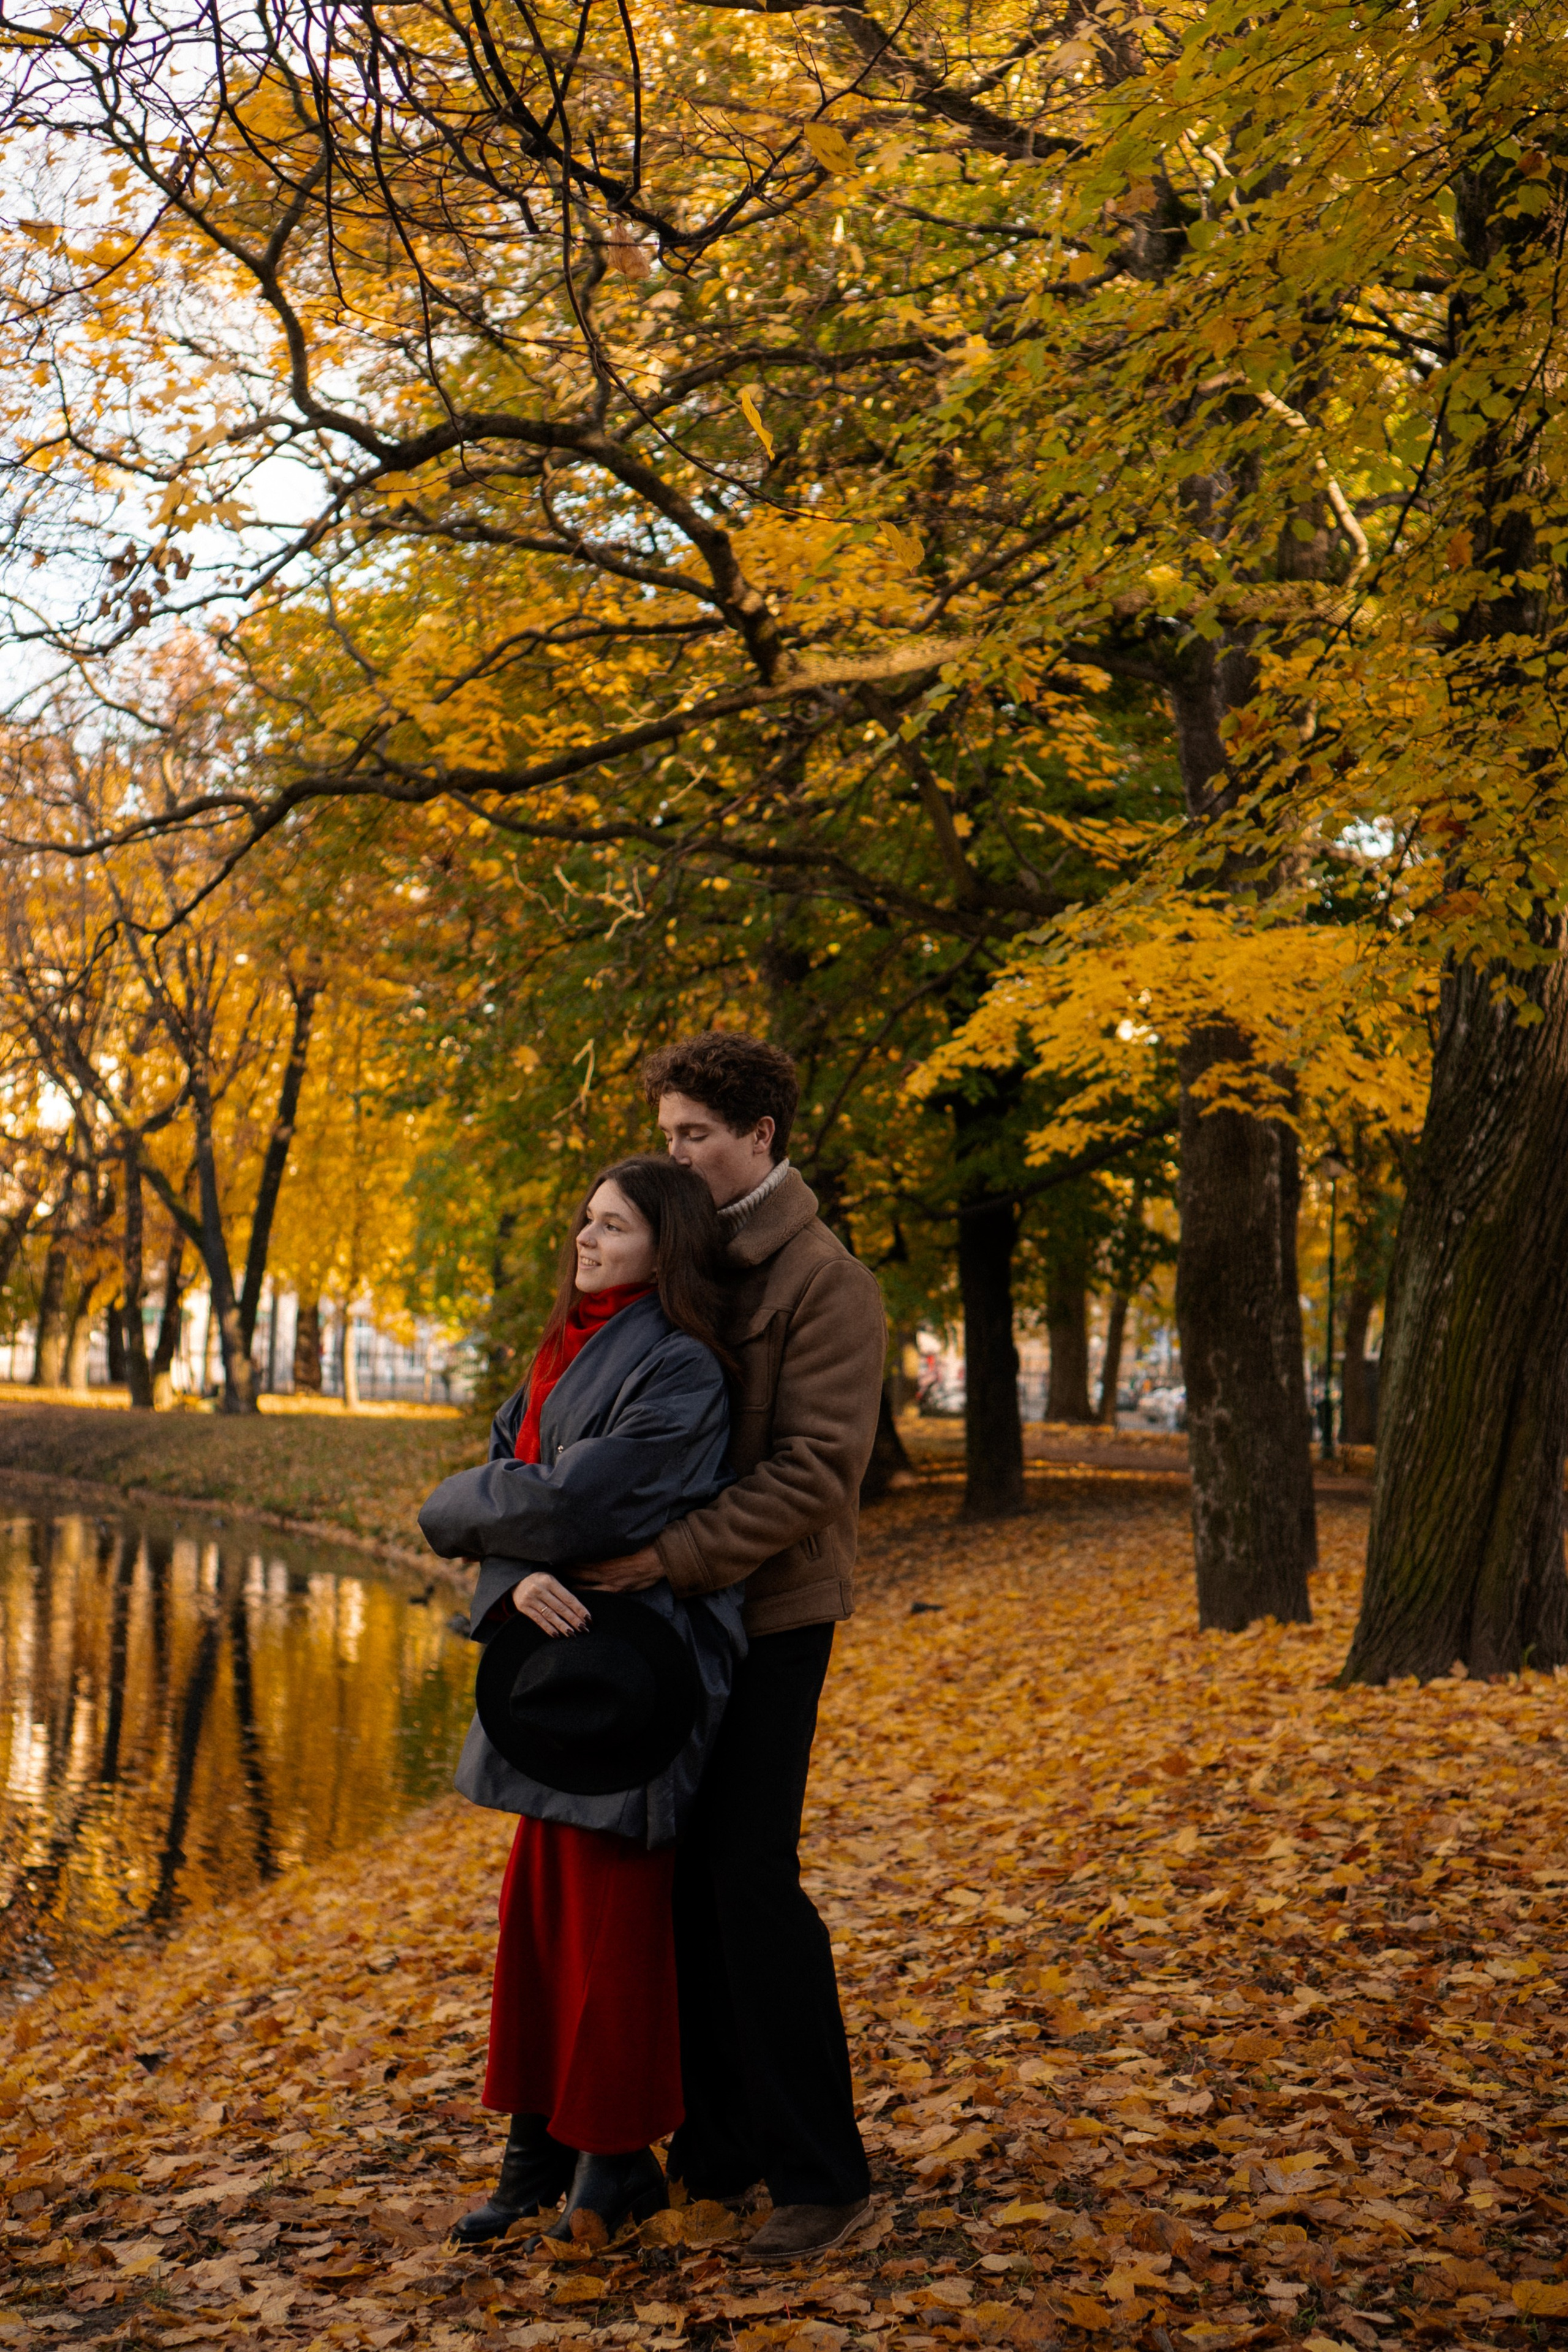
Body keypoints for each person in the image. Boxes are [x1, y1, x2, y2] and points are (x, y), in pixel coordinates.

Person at [577, 1034, 886, 2262]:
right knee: (686, 1886)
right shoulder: (687, 1257)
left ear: (761, 1137)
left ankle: (824, 2173)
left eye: (697, 1136)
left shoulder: (825, 1281)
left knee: (750, 1883)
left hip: (770, 1616)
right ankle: (718, 2150)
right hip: (677, 1624)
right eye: (668, 1135)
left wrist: (667, 1555)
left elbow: (814, 1472)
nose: (678, 1155)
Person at [418, 1154, 744, 2249]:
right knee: (540, 1917)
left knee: (611, 1922)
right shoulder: (562, 1348)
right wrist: (512, 1574)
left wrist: (474, 1513)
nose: (586, 1241)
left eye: (612, 1227)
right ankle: (534, 2155)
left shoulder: (683, 1366)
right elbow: (515, 1497)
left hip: (636, 1674)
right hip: (558, 1657)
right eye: (586, 1222)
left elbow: (574, 1505)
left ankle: (614, 2162)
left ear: (665, 1246)